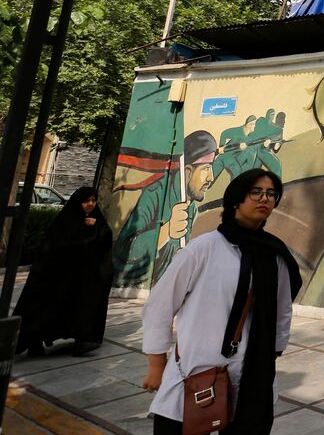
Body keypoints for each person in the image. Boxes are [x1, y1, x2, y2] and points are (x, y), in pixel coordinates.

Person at [141, 169, 301, 435]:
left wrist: (272, 351)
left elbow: (282, 308)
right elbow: (160, 305)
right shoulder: (203, 249)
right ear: (236, 199)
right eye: (256, 192)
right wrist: (156, 365)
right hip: (196, 371)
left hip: (251, 374)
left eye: (271, 194)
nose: (265, 199)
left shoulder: (275, 255)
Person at [15, 186, 114, 357]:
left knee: (81, 307)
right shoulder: (66, 221)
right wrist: (88, 230)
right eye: (86, 201)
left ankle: (82, 340)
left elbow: (104, 242)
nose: (90, 204)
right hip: (58, 278)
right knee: (46, 308)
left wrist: (94, 228)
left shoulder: (97, 220)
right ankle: (34, 343)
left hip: (81, 279)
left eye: (93, 200)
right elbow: (63, 246)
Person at [115, 130, 218, 287]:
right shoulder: (155, 193)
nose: (211, 177)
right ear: (188, 172)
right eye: (206, 168)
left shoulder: (192, 208)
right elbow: (123, 252)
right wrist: (166, 231)